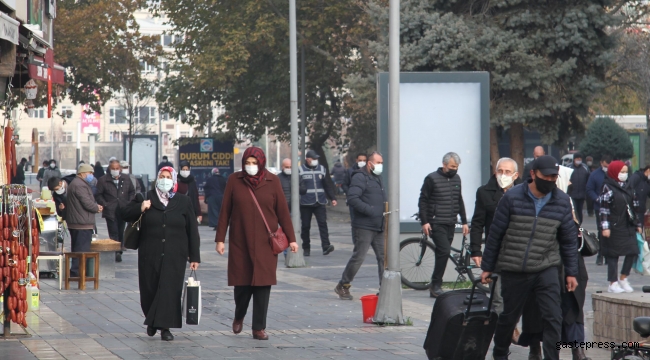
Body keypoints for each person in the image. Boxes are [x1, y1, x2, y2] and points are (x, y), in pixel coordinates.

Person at [481, 155, 578, 360]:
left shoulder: (561, 201)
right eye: (547, 176)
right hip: (514, 268)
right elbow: (495, 234)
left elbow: (568, 240)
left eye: (554, 177)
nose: (551, 181)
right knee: (508, 317)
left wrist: (571, 272)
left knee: (553, 317)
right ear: (533, 174)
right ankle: (500, 353)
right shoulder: (512, 197)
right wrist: (488, 266)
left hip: (546, 267)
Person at [215, 147, 298, 341]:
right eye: (247, 163)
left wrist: (292, 239)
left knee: (263, 285)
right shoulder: (235, 181)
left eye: (254, 163)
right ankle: (239, 315)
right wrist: (220, 239)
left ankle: (258, 328)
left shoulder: (273, 181)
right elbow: (225, 211)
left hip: (265, 243)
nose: (250, 167)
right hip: (240, 242)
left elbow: (283, 213)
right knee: (242, 286)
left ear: (261, 163)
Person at [120, 166, 200, 341]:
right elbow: (124, 213)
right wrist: (140, 208)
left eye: (168, 177)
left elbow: (192, 230)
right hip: (150, 252)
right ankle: (152, 319)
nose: (165, 180)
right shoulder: (145, 197)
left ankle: (165, 327)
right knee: (150, 289)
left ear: (174, 180)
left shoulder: (183, 201)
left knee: (170, 290)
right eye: (162, 176)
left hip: (175, 254)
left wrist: (194, 256)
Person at [469, 157, 521, 315]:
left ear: (515, 175)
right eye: (500, 171)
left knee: (516, 296)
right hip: (496, 251)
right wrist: (476, 250)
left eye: (507, 172)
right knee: (497, 296)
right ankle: (505, 330)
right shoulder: (484, 192)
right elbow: (478, 222)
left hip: (519, 251)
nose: (503, 175)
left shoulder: (525, 192)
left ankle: (511, 324)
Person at [417, 152, 469, 298]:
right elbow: (423, 201)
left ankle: (435, 286)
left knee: (443, 254)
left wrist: (464, 221)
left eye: (457, 167)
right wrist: (425, 221)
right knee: (444, 251)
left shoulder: (457, 178)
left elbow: (459, 200)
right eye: (452, 166)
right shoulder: (431, 179)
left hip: (451, 222)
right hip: (436, 222)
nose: (454, 169)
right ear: (444, 164)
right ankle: (436, 285)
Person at [335, 152, 385, 300]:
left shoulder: (377, 177)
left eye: (381, 162)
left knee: (383, 258)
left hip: (379, 225)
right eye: (378, 162)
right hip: (364, 225)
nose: (380, 165)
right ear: (370, 164)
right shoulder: (359, 177)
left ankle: (384, 288)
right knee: (359, 257)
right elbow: (352, 198)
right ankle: (343, 285)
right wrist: (370, 210)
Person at [598, 160, 641, 293]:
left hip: (628, 225)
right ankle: (613, 282)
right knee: (613, 254)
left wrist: (638, 223)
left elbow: (635, 206)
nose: (624, 174)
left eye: (626, 172)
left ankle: (623, 277)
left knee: (633, 250)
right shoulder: (608, 187)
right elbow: (604, 209)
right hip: (614, 225)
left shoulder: (629, 186)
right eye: (621, 172)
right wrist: (605, 227)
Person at [67, 164, 103, 277]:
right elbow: (86, 202)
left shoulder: (78, 183)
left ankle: (77, 272)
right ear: (82, 173)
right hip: (81, 222)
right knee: (81, 250)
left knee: (78, 248)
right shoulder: (79, 185)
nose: (91, 175)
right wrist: (96, 207)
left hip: (79, 221)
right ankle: (77, 273)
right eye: (90, 173)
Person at [95, 159, 136, 262]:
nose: (115, 170)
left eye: (117, 168)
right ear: (109, 168)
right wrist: (105, 204)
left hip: (123, 209)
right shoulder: (103, 180)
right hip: (110, 209)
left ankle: (120, 249)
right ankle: (115, 251)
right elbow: (98, 194)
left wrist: (129, 203)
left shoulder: (126, 179)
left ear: (120, 169)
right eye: (113, 168)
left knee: (121, 231)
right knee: (113, 231)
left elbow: (132, 191)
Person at [299, 149, 337, 256]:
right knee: (305, 226)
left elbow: (327, 185)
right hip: (306, 203)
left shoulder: (322, 169)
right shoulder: (300, 170)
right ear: (307, 159)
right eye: (314, 159)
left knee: (323, 224)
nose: (316, 160)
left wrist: (333, 198)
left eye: (316, 159)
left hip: (320, 202)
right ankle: (306, 248)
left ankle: (326, 246)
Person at [586, 154, 612, 265]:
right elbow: (589, 189)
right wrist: (596, 199)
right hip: (600, 207)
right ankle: (601, 254)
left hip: (613, 208)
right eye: (605, 165)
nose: (607, 167)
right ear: (601, 163)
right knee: (602, 231)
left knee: (612, 232)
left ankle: (609, 255)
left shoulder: (613, 174)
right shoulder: (594, 175)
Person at [342, 153, 367, 246]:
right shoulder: (350, 171)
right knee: (355, 222)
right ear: (356, 160)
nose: (362, 162)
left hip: (365, 201)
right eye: (360, 160)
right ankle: (356, 243)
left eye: (364, 160)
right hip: (354, 201)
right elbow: (344, 184)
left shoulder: (368, 171)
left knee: (365, 222)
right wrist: (350, 193)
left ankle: (364, 242)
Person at [569, 153, 590, 225]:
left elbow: (588, 180)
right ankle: (574, 224)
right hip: (572, 194)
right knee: (573, 211)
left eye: (580, 159)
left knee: (579, 211)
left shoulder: (585, 168)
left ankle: (579, 225)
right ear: (574, 159)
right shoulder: (568, 167)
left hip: (581, 194)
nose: (579, 160)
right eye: (577, 159)